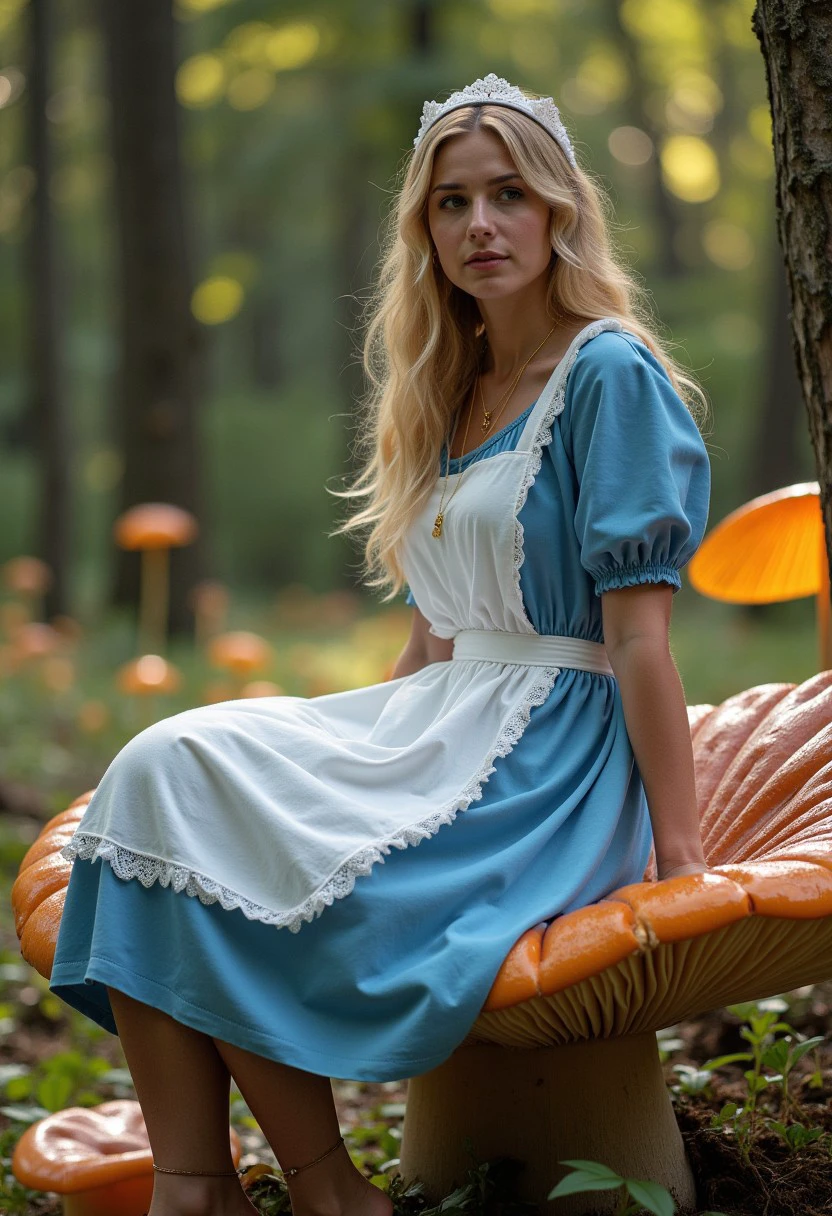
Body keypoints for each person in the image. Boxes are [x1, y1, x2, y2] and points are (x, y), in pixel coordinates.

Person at [50, 74, 712, 1216]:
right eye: (451, 204)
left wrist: (685, 857)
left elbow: (641, 645)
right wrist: (328, 758)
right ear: (425, 231)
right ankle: (199, 1184)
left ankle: (317, 1191)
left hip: (542, 764)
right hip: (445, 721)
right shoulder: (454, 389)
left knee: (194, 790)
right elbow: (430, 645)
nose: (480, 226)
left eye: (509, 194)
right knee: (163, 772)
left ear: (560, 208)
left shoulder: (609, 373)